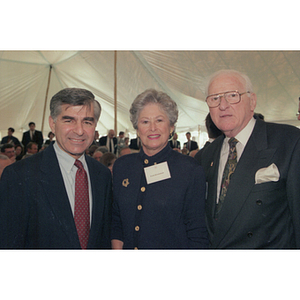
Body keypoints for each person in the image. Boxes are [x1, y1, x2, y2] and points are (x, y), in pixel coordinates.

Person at [194, 69, 300, 249]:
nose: (223, 105)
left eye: (232, 95)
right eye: (215, 98)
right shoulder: (205, 156)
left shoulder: (288, 142)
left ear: (252, 101)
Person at [0, 87, 112, 249]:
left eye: (87, 122)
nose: (79, 131)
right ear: (52, 123)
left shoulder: (102, 175)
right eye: (69, 120)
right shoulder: (19, 176)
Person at [111, 88, 208, 249]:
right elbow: (117, 221)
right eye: (145, 122)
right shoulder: (122, 166)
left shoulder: (190, 170)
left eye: (159, 120)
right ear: (137, 128)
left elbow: (197, 232)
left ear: (171, 127)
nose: (152, 128)